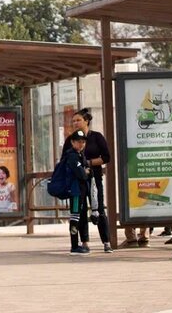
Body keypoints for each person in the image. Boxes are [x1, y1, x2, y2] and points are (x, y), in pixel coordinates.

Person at [60, 108, 114, 252]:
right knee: (80, 212)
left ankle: (106, 242)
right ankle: (84, 242)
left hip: (95, 179)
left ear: (86, 121)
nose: (75, 123)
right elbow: (65, 160)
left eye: (78, 120)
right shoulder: (70, 140)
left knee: (99, 209)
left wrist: (88, 163)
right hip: (78, 183)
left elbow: (106, 157)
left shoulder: (96, 137)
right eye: (73, 121)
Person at [61, 129, 94, 254]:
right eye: (78, 142)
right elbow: (82, 174)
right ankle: (74, 245)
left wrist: (86, 172)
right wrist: (84, 172)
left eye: (83, 142)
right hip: (75, 192)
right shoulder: (72, 156)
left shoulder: (80, 155)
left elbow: (88, 172)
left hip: (81, 191)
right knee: (75, 217)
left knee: (80, 216)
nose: (81, 144)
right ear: (72, 142)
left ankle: (81, 243)